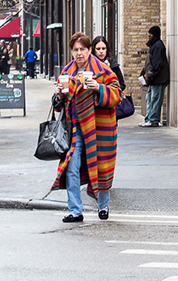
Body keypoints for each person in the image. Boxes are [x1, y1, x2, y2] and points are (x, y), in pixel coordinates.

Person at [52, 32, 124, 223]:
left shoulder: (103, 71)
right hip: (74, 129)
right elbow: (57, 103)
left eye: (82, 49)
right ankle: (76, 210)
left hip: (98, 129)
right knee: (71, 168)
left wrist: (98, 88)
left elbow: (117, 94)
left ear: (89, 50)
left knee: (100, 166)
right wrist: (59, 95)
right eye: (75, 50)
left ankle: (103, 206)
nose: (79, 53)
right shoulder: (66, 73)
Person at [138, 25, 170, 127]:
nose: (149, 35)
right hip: (154, 79)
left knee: (155, 99)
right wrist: (144, 71)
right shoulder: (154, 46)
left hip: (158, 79)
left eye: (150, 34)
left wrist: (150, 76)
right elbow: (149, 63)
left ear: (155, 35)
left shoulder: (158, 46)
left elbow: (157, 64)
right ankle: (148, 119)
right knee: (150, 98)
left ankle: (154, 120)